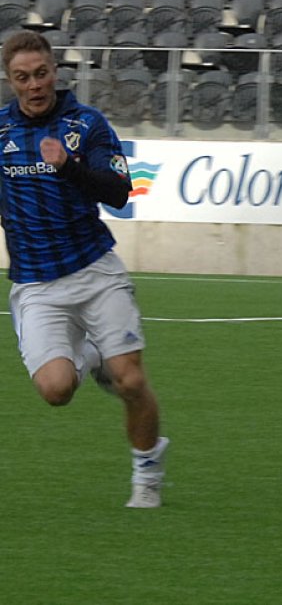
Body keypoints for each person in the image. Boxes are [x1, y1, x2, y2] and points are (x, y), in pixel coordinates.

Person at [1, 30, 169, 508]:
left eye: (41, 73)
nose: (34, 85)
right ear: (10, 81)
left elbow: (119, 192)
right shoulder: (0, 134)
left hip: (95, 272)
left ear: (55, 71)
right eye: (22, 77)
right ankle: (93, 356)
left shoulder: (86, 123)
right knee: (56, 391)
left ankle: (147, 472)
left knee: (132, 380)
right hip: (36, 283)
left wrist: (69, 166)